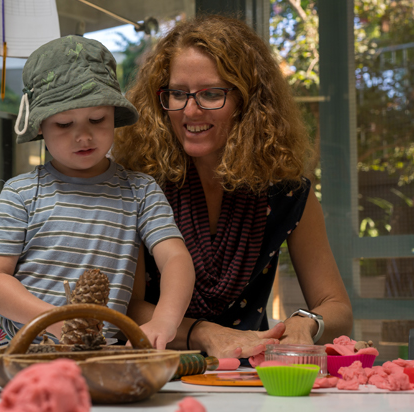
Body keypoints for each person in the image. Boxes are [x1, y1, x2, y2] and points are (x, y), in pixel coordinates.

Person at [111, 14, 353, 360]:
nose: (190, 110)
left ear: (249, 101)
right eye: (178, 93)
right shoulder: (136, 184)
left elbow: (338, 307)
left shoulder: (288, 193)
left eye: (211, 94)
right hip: (154, 370)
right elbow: (127, 307)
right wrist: (204, 333)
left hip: (246, 375)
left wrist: (305, 323)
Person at [0, 35, 195, 352]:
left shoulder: (140, 191)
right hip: (15, 350)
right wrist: (55, 319)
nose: (83, 136)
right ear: (40, 127)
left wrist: (165, 319)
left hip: (94, 354)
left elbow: (175, 258)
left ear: (113, 115)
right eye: (64, 124)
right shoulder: (21, 192)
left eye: (97, 119)